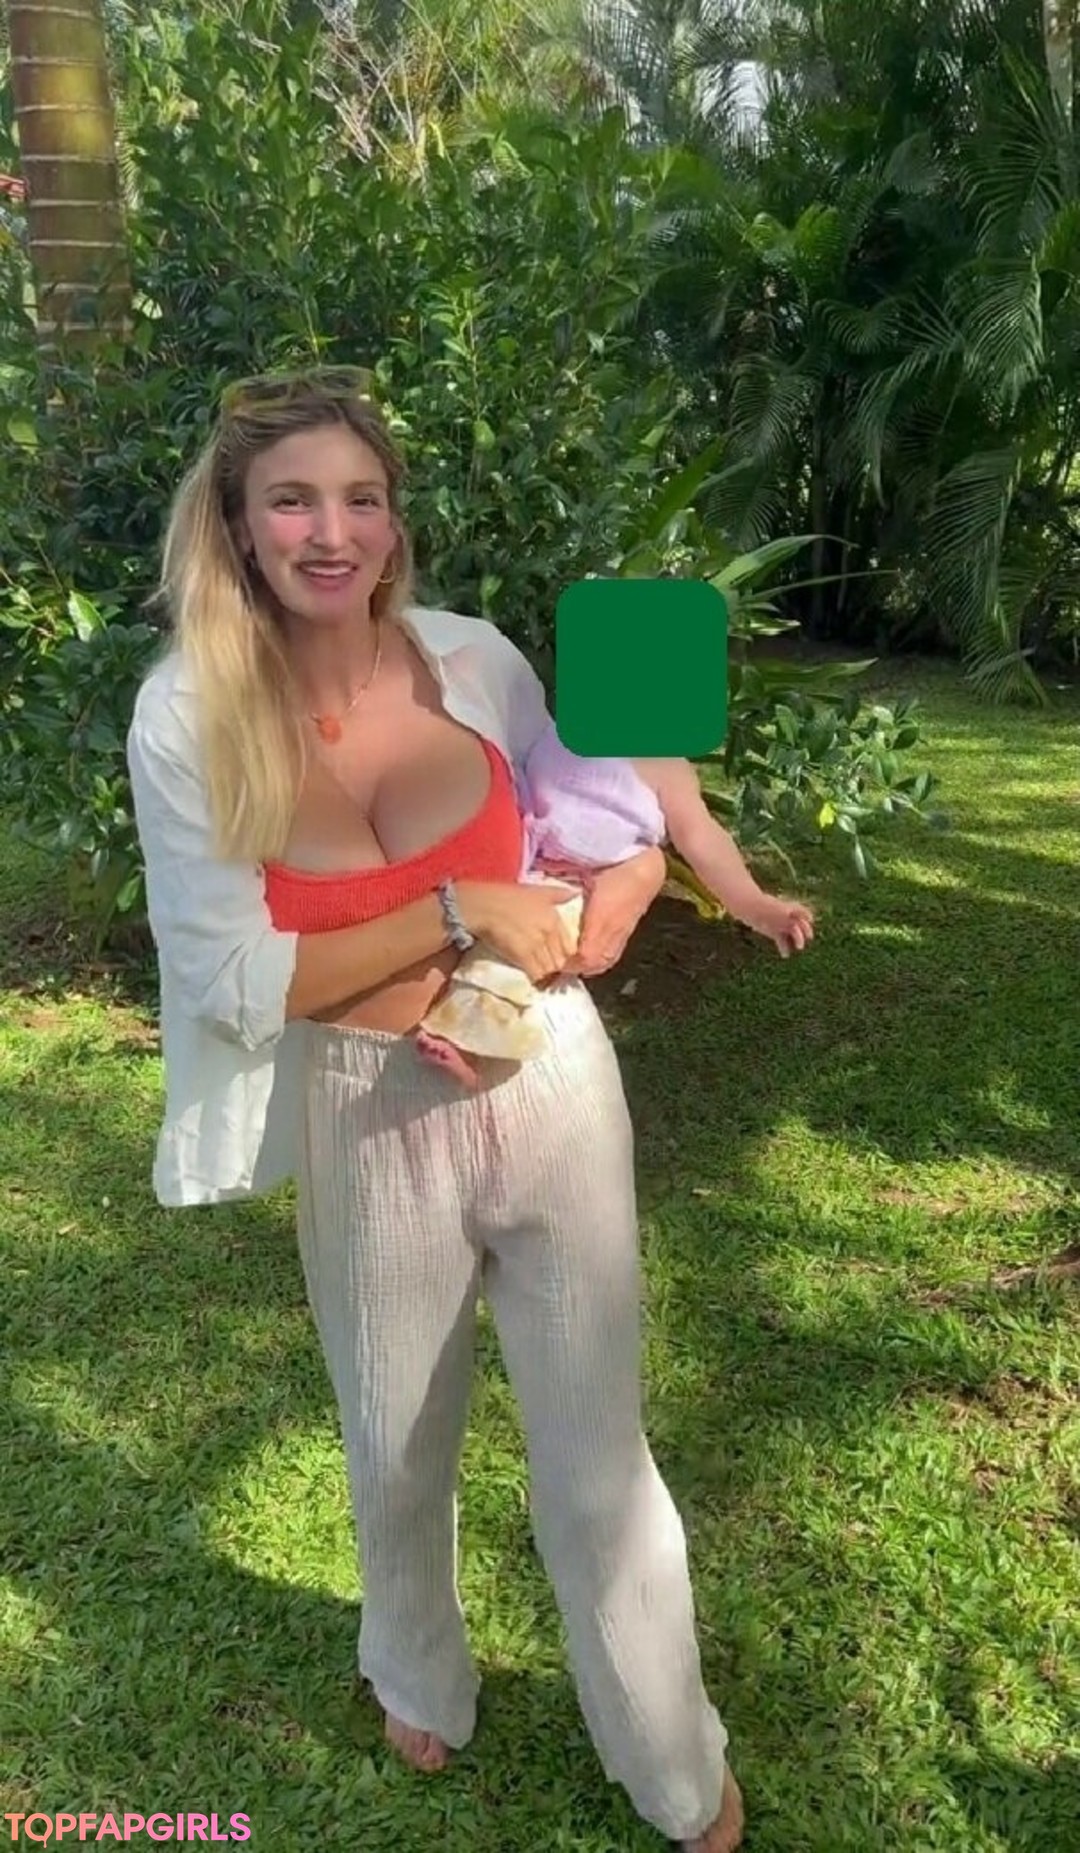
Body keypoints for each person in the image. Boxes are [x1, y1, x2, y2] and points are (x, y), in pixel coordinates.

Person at [126, 365, 746, 1852]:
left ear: (395, 521)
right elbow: (234, 979)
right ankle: (415, 1665)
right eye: (292, 500)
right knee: (395, 1443)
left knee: (598, 1460)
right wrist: (457, 907)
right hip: (367, 1110)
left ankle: (674, 1760)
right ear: (238, 522)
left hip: (553, 1081)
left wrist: (636, 876)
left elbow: (606, 804)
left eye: (361, 498)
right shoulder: (186, 713)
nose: (331, 531)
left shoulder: (476, 656)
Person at [409, 717, 815, 1085]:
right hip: (525, 860)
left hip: (581, 888)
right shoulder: (560, 727)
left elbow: (703, 839)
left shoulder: (665, 766)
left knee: (503, 962)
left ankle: (469, 1051)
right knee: (492, 939)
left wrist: (756, 907)